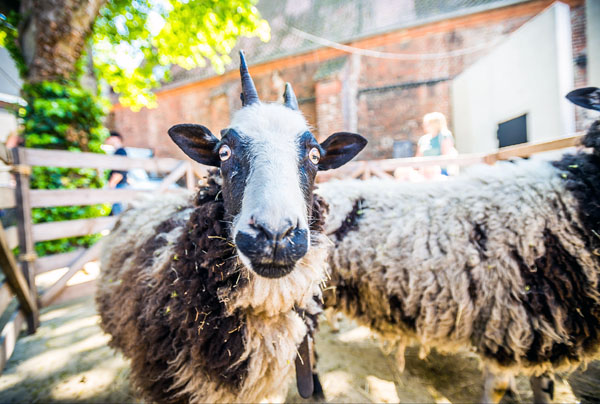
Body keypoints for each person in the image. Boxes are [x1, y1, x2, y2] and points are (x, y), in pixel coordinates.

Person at [415, 112, 457, 179]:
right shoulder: (423, 139)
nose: (424, 125)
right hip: (424, 172)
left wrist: (432, 167)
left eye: (427, 124)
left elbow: (446, 156)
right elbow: (418, 158)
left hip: (440, 171)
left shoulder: (444, 136)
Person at [105, 131, 128, 215]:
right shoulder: (119, 151)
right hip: (120, 185)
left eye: (109, 138)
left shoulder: (120, 152)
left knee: (118, 213)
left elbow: (119, 173)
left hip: (118, 185)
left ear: (116, 138)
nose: (107, 140)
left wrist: (111, 185)